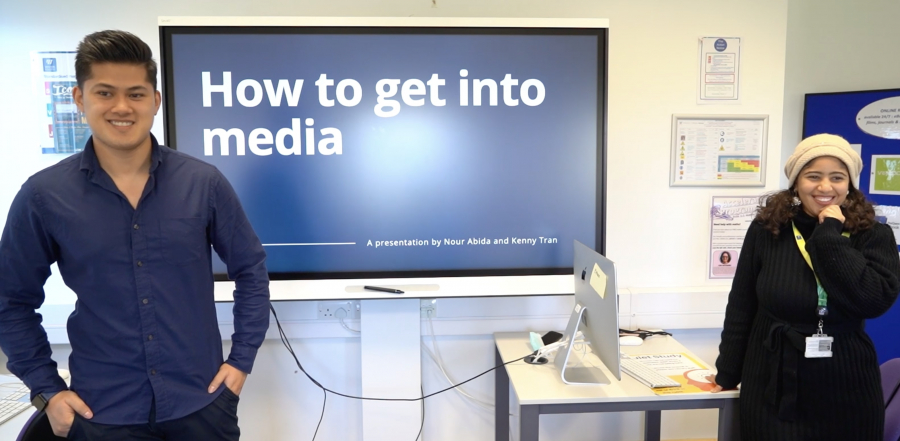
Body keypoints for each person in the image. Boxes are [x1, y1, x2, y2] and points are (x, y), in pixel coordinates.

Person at [0, 30, 270, 440]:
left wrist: (242, 361)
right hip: (102, 414)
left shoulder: (204, 183)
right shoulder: (43, 196)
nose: (121, 107)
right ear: (79, 99)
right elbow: (10, 301)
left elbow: (250, 270)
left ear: (155, 101)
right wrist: (47, 391)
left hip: (201, 405)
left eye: (136, 94)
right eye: (105, 93)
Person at [708, 133, 900, 440]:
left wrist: (829, 236)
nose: (825, 187)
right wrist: (728, 373)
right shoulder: (767, 229)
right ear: (797, 182)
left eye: (837, 177)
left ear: (849, 184)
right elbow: (741, 306)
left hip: (846, 386)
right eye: (814, 176)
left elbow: (872, 301)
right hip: (772, 381)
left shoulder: (873, 234)